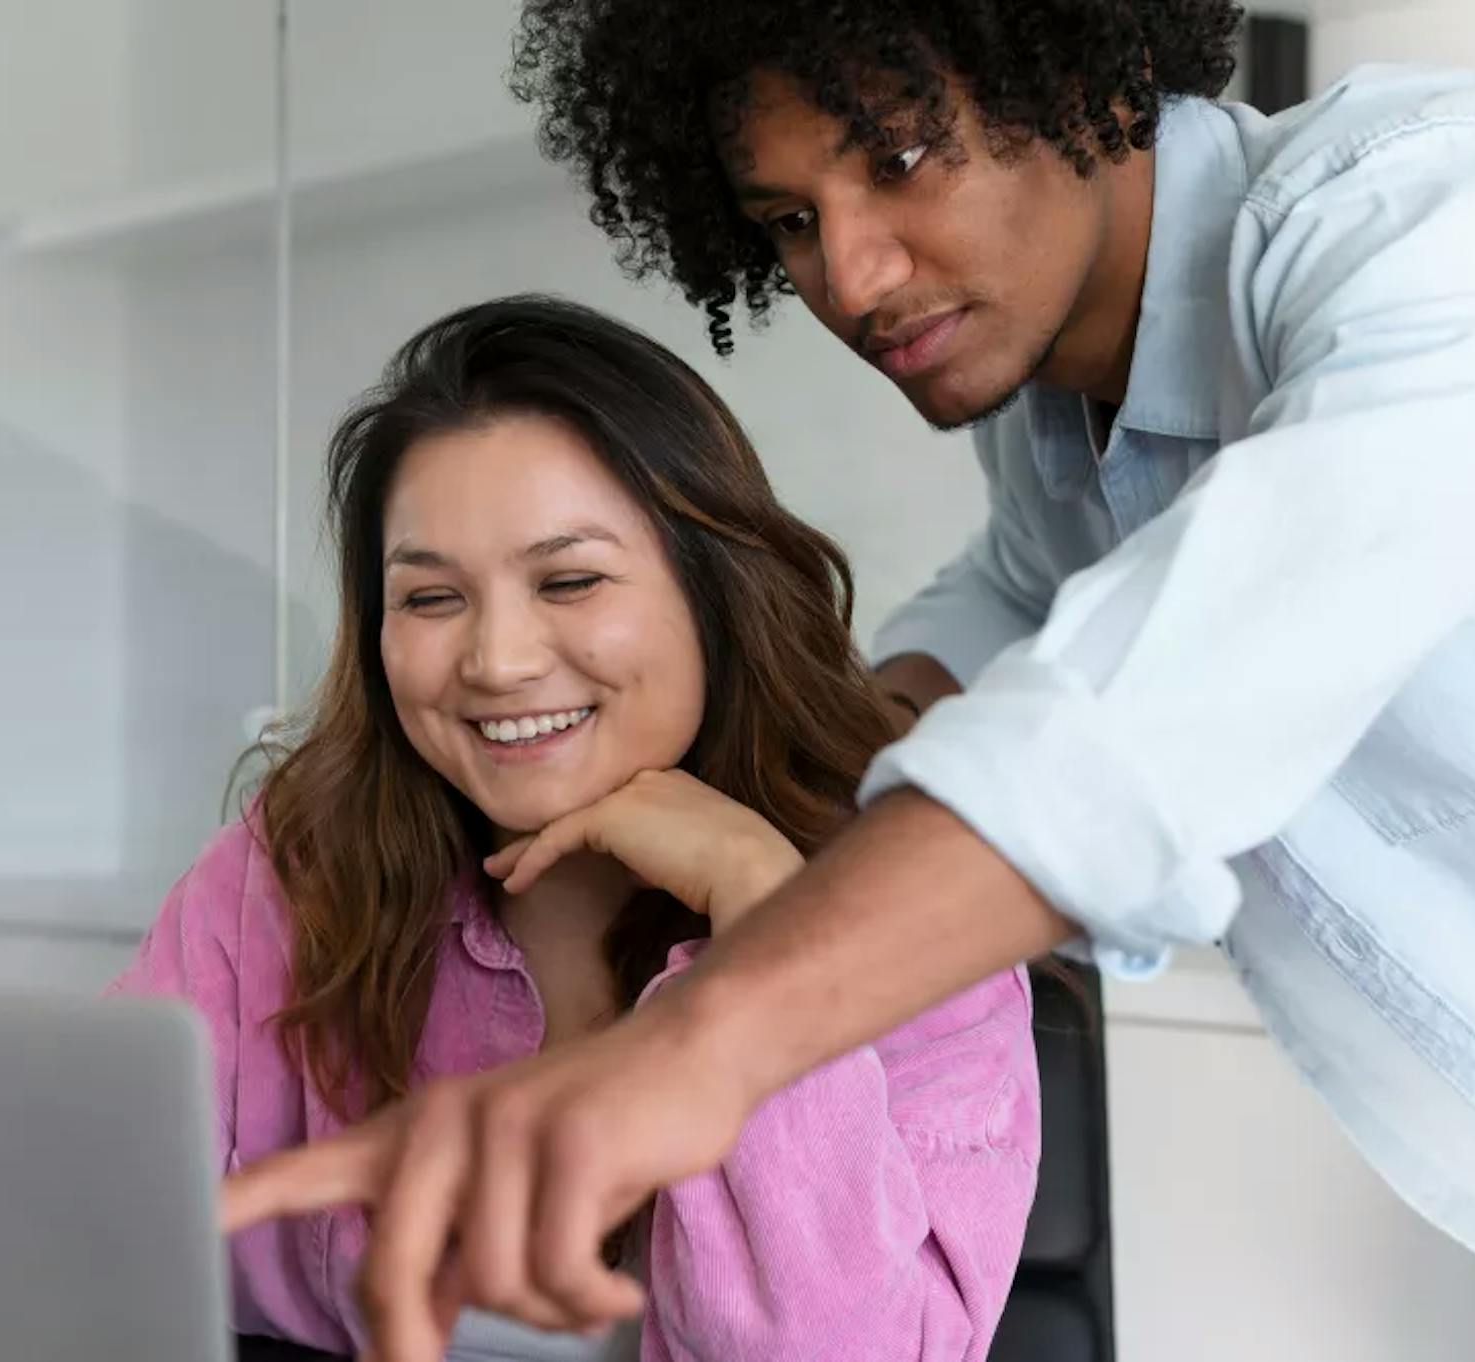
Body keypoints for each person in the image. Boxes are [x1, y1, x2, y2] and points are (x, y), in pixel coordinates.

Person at [224, 2, 1475, 1357]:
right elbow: (1006, 600)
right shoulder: (1063, 428)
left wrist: (696, 1044)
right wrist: (749, 768)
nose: (848, 275)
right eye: (786, 219)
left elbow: (1161, 703)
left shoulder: (1430, 234)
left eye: (899, 160)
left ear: (1091, 74)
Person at [112, 296, 1039, 1361]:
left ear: (714, 595)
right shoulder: (287, 872)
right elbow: (76, 1211)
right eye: (428, 599)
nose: (496, 661)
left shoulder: (920, 922)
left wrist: (759, 902)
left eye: (568, 581)